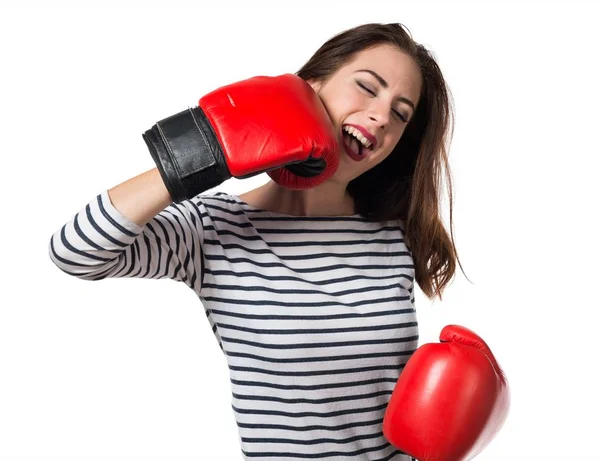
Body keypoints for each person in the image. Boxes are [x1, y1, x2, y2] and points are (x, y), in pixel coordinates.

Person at [49, 22, 466, 461]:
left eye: (400, 114)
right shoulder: (213, 229)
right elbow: (75, 251)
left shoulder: (390, 235)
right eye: (366, 87)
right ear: (310, 86)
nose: (381, 116)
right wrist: (210, 150)